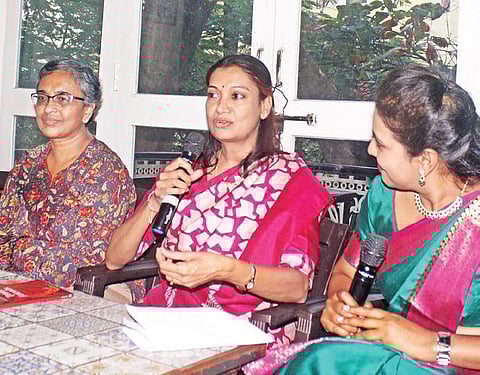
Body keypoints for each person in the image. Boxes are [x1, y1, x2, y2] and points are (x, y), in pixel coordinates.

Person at [245, 65, 480, 374]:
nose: (370, 150)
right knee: (318, 363)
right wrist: (342, 304)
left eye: (381, 144)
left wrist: (424, 342)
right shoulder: (383, 196)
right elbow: (346, 270)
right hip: (391, 353)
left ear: (425, 160)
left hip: (454, 363)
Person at [105, 54, 330, 344]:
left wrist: (225, 269)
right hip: (165, 322)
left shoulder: (290, 180)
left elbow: (297, 287)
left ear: (264, 106)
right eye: (213, 95)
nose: (220, 107)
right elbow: (114, 260)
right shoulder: (189, 171)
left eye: (237, 96)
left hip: (242, 331)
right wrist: (155, 201)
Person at [0, 59, 136, 288]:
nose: (48, 108)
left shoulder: (105, 172)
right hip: (17, 281)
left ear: (87, 110)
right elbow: (4, 233)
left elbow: (86, 260)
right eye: (42, 98)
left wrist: (19, 259)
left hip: (81, 289)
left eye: (62, 99)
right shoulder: (29, 163)